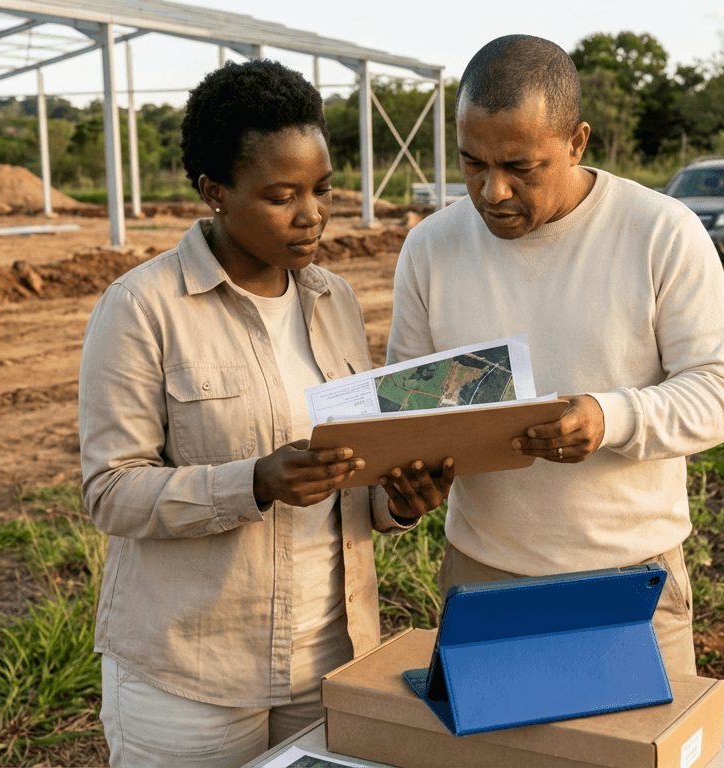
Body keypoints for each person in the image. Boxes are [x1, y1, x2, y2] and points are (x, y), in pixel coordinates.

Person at [78, 60, 451, 768]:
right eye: (282, 196)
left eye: (322, 190)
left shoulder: (333, 299)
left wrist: (396, 502)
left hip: (330, 660)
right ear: (215, 192)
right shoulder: (141, 309)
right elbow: (111, 492)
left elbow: (351, 473)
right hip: (193, 678)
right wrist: (253, 482)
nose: (311, 214)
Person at [386, 35, 724, 676]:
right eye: (472, 163)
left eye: (520, 168)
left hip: (630, 578)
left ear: (577, 143)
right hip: (483, 574)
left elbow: (721, 394)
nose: (492, 191)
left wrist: (611, 418)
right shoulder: (431, 248)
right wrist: (407, 475)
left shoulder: (659, 232)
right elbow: (410, 405)